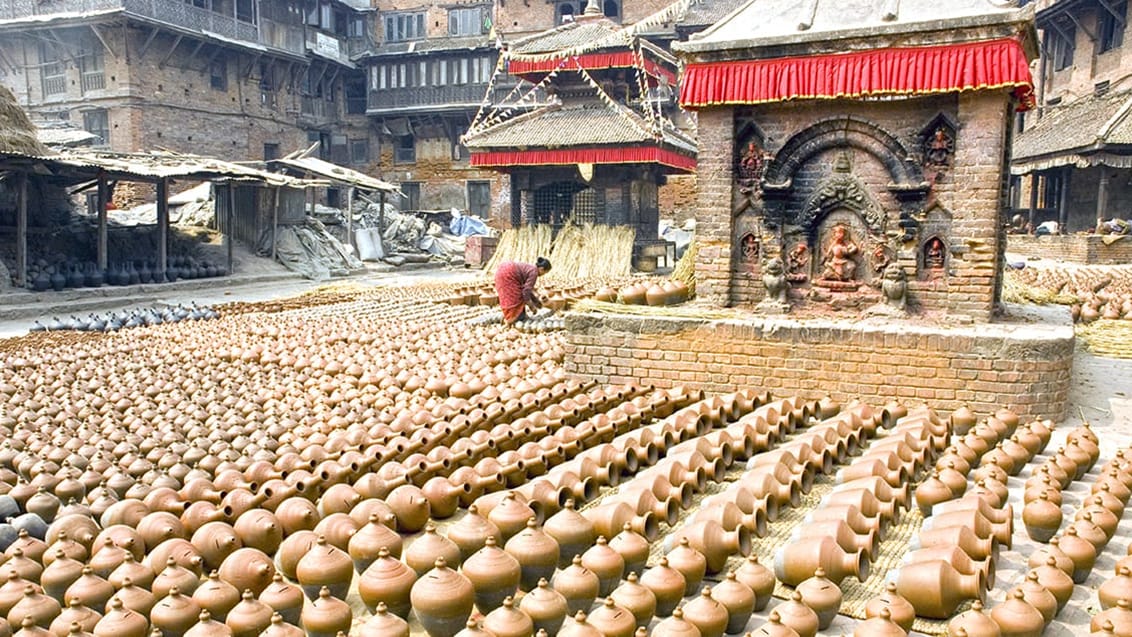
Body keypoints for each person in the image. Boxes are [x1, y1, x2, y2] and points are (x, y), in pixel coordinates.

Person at [494, 257, 552, 324]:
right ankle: (511, 320)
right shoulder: (534, 272)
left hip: (502, 270)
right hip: (508, 274)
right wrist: (532, 306)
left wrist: (537, 302)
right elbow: (526, 291)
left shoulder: (531, 268)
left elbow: (527, 290)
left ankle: (511, 316)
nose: (543, 275)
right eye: (544, 273)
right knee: (516, 298)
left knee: (513, 297)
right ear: (542, 269)